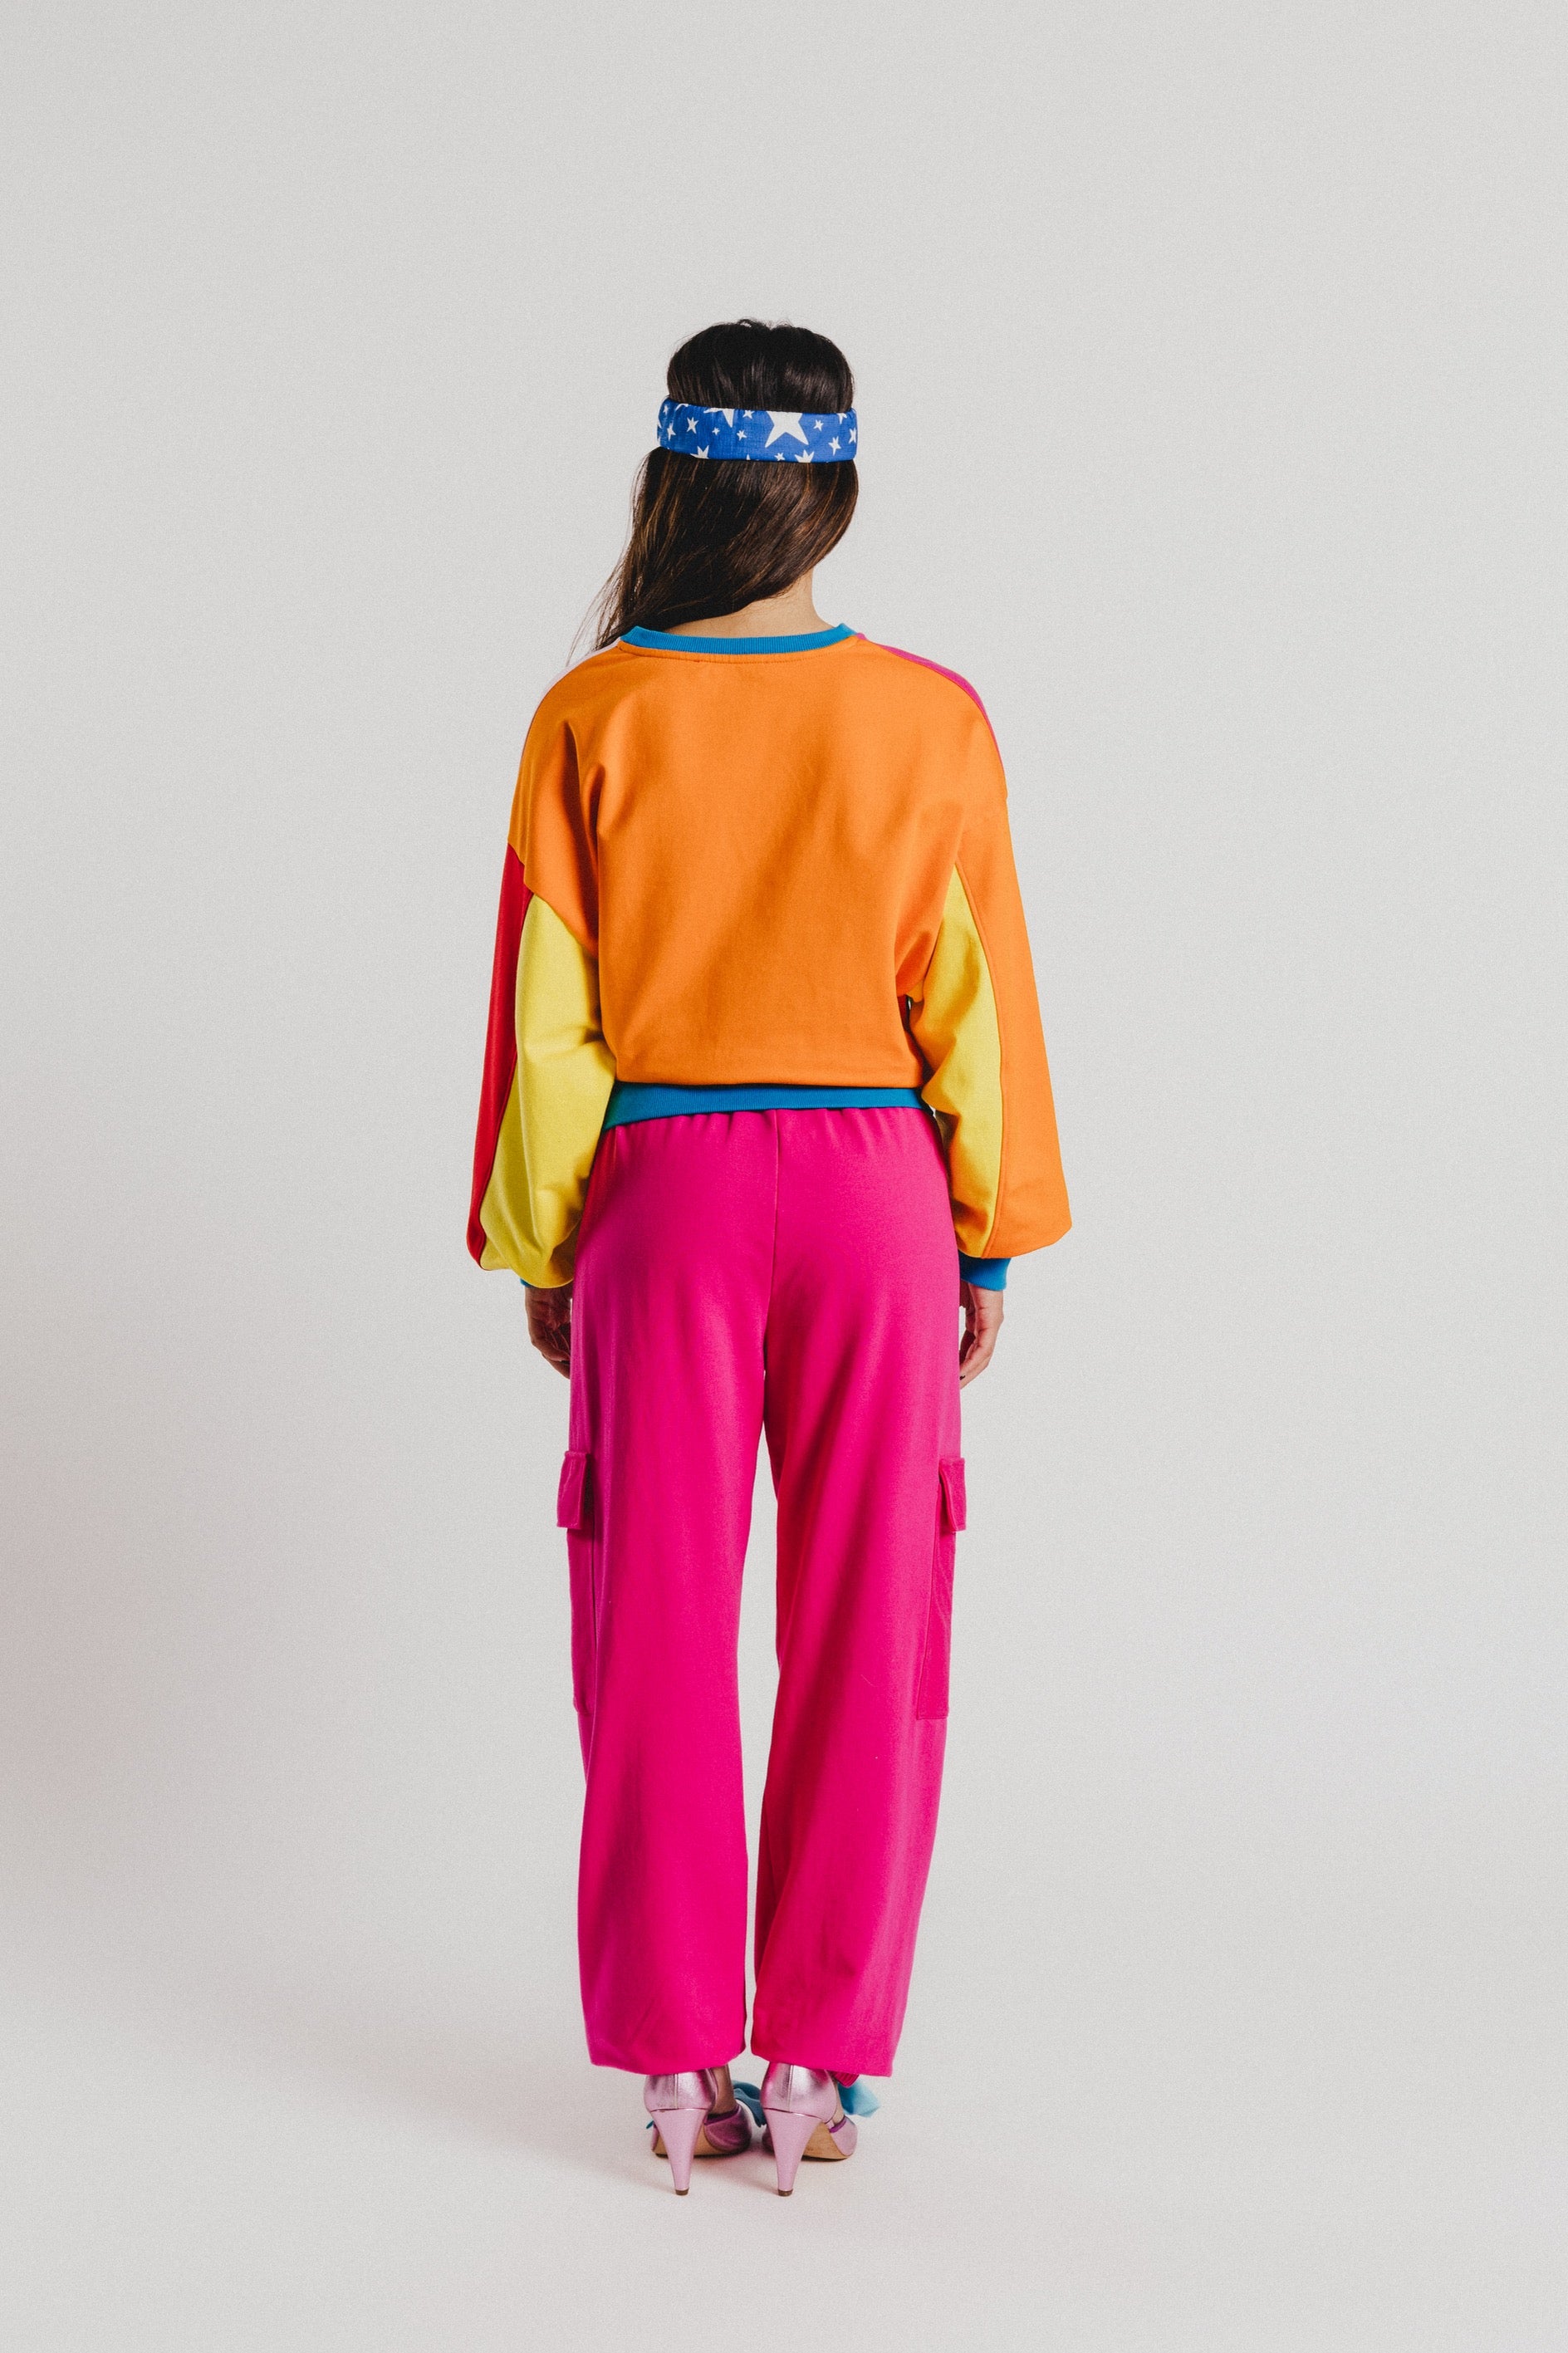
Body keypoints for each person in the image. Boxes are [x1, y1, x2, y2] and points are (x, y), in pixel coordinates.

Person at [468, 319, 1070, 2195]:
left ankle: (674, 2062)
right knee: (875, 1617)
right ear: (837, 490)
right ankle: (820, 2058)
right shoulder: (928, 716)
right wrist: (983, 1238)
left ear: (675, 481)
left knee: (648, 1617)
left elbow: (549, 1011)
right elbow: (973, 996)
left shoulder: (595, 712)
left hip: (664, 1190)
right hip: (876, 1188)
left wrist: (546, 1237)